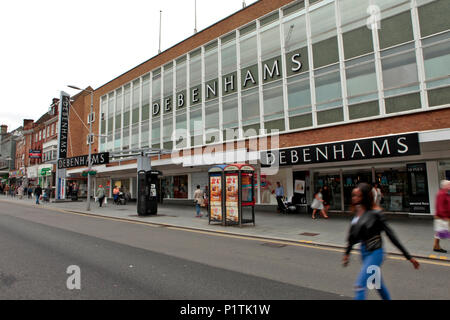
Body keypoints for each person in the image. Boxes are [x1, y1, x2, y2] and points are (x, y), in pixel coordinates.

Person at [342, 183, 420, 300]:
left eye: (357, 196)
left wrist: (408, 256)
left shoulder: (376, 213)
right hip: (364, 252)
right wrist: (347, 254)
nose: (354, 198)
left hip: (376, 253)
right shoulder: (357, 214)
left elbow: (391, 235)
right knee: (378, 285)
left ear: (365, 196)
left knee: (360, 285)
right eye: (353, 195)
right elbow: (352, 238)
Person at [433, 180, 450, 253]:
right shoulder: (441, 194)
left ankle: (436, 246)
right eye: (449, 184)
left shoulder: (445, 193)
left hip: (444, 216)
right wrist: (444, 216)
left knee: (439, 232)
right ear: (445, 186)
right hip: (442, 216)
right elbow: (440, 207)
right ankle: (436, 246)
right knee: (440, 232)